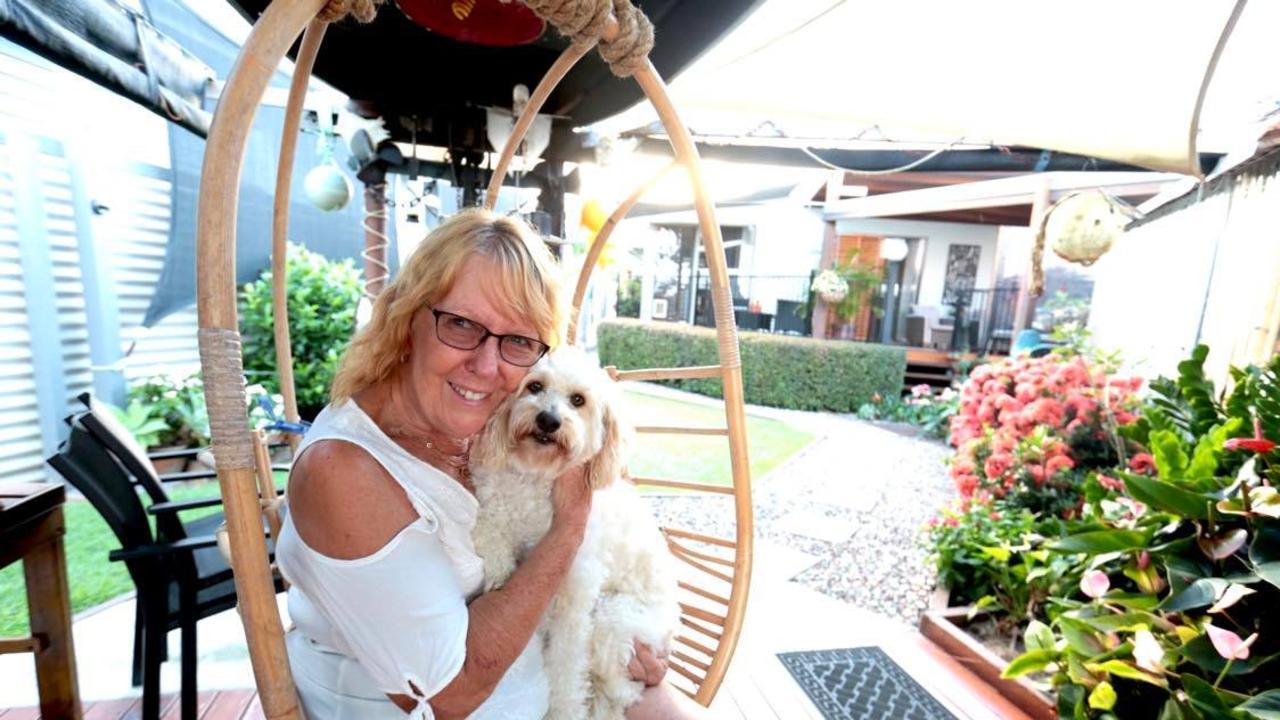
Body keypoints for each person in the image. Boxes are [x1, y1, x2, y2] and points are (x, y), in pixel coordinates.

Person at [275, 208, 715, 719]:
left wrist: (636, 631)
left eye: (518, 341)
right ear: (408, 316)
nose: (487, 366)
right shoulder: (345, 470)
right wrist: (570, 527)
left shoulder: (472, 424)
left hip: (558, 679)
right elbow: (451, 694)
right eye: (460, 324)